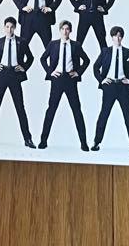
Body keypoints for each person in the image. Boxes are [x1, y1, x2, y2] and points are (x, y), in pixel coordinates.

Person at [0, 17, 34, 148]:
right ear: (4, 28)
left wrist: (24, 67)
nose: (9, 29)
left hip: (15, 75)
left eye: (12, 27)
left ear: (15, 28)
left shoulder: (22, 42)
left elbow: (30, 57)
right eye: (7, 27)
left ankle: (28, 139)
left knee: (20, 108)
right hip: (2, 75)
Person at [38, 21, 90, 152]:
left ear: (70, 31)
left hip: (70, 80)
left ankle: (84, 143)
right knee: (51, 110)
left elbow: (87, 60)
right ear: (60, 30)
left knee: (77, 111)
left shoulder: (76, 45)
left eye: (67, 29)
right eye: (63, 29)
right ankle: (43, 141)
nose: (65, 31)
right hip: (57, 80)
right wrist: (50, 72)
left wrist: (78, 72)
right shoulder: (53, 44)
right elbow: (42, 59)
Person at [91, 26, 129, 153]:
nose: (117, 38)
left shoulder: (128, 52)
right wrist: (102, 80)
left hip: (123, 88)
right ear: (111, 37)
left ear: (122, 37)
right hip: (109, 87)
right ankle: (96, 142)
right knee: (104, 115)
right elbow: (95, 67)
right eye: (115, 36)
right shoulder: (105, 51)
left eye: (119, 36)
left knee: (128, 116)